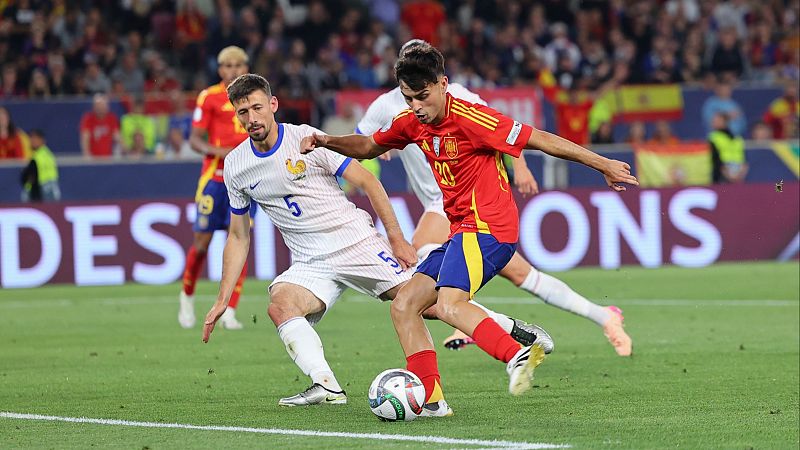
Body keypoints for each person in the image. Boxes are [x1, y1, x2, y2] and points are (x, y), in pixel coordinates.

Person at [300, 42, 638, 410]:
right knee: (404, 305)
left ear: (443, 84)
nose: (416, 106)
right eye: (408, 98)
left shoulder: (474, 118)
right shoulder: (411, 122)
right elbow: (367, 146)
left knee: (449, 303)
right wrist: (325, 140)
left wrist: (602, 163)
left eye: (422, 96)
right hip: (461, 228)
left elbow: (540, 139)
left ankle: (517, 353)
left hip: (490, 227)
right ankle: (431, 400)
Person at [202, 74, 553, 412]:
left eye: (258, 108)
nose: (252, 118)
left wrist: (396, 237)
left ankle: (515, 332)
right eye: (243, 112)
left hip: (356, 244)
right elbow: (238, 235)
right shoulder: (236, 165)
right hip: (310, 261)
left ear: (273, 104)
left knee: (424, 304)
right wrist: (222, 299)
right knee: (280, 305)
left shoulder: (306, 138)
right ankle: (326, 385)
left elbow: (368, 183)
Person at [178, 46, 251, 330]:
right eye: (228, 66)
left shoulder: (255, 96)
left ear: (246, 67)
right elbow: (194, 140)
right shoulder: (209, 97)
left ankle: (230, 309)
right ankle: (186, 297)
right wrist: (221, 152)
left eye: (238, 65)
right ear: (220, 70)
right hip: (214, 179)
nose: (233, 70)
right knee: (202, 244)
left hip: (245, 181)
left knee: (239, 243)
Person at [20, 129, 60, 202]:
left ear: (42, 140)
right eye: (31, 138)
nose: (32, 141)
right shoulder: (46, 154)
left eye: (35, 139)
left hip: (42, 192)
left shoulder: (39, 156)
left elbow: (31, 175)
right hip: (47, 190)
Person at [709, 112, 748, 184]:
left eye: (717, 120)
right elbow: (715, 160)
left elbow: (745, 159)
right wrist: (729, 176)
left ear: (725, 121)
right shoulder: (713, 137)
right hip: (722, 175)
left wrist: (740, 175)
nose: (713, 123)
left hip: (739, 174)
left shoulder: (737, 138)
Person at [79, 93, 120, 158]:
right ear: (94, 106)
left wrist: (127, 152)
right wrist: (87, 154)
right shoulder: (88, 118)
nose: (101, 108)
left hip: (108, 158)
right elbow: (85, 138)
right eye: (98, 105)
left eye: (103, 105)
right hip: (93, 159)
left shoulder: (112, 118)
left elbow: (117, 136)